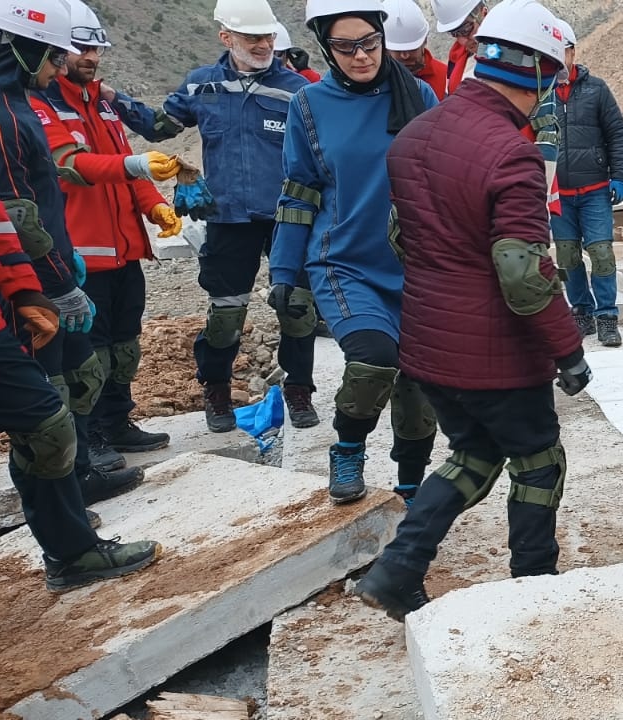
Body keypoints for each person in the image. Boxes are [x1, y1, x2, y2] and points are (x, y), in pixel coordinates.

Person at [356, 0, 591, 620]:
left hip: (430, 345)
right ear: (536, 72)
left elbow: (401, 237)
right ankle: (534, 583)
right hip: (494, 356)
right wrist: (568, 349)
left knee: (474, 456)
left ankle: (397, 569)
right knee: (538, 459)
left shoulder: (416, 135)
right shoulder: (508, 154)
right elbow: (523, 276)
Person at [0, 0, 160, 593]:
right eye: (59, 52)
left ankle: (69, 527)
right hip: (36, 286)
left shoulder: (27, 102)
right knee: (46, 422)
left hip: (35, 281)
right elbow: (25, 207)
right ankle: (69, 549)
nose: (69, 62)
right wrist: (54, 284)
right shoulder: (15, 113)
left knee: (61, 401)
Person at [270, 0, 439, 505]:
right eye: (346, 47)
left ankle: (410, 485)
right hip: (343, 261)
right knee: (374, 358)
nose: (361, 56)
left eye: (369, 42)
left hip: (415, 265)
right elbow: (299, 191)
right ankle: (347, 448)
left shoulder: (420, 95)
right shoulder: (308, 105)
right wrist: (285, 270)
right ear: (326, 46)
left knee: (420, 382)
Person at [32, 0, 182, 474]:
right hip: (79, 255)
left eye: (96, 48)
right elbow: (72, 167)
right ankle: (90, 435)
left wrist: (153, 203)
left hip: (123, 250)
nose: (90, 57)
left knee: (124, 345)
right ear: (56, 51)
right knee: (87, 356)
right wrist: (135, 165)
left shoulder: (100, 103)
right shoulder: (40, 105)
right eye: (79, 48)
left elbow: (124, 165)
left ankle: (117, 421)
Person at [162, 0, 319, 433]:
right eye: (253, 38)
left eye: (268, 36)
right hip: (227, 217)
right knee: (227, 312)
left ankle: (299, 390)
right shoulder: (201, 86)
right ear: (226, 37)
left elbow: (323, 151)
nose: (264, 44)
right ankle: (216, 392)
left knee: (297, 306)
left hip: (287, 217)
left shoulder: (297, 89)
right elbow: (159, 126)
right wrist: (109, 103)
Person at [549, 18, 623, 347]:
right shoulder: (540, 94)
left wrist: (620, 177)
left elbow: (617, 134)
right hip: (558, 195)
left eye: (562, 53)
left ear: (572, 52)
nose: (558, 60)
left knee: (601, 252)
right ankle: (581, 311)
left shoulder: (597, 90)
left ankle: (607, 316)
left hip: (594, 190)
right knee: (567, 256)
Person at [382, 0, 446, 99]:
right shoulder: (376, 85)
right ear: (385, 49)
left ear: (424, 40)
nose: (405, 56)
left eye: (412, 48)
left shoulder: (445, 76)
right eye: (397, 50)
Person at [431, 0, 483, 95]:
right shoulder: (456, 59)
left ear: (483, 13)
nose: (462, 41)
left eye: (466, 30)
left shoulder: (512, 49)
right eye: (455, 34)